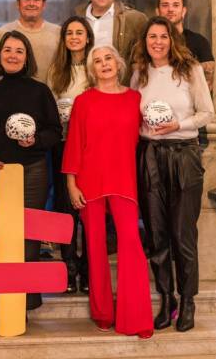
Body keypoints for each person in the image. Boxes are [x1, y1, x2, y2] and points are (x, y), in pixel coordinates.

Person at [0, 30, 62, 330]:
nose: (12, 55)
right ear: (0, 55)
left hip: (30, 171)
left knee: (25, 239)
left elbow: (54, 132)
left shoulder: (40, 92)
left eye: (19, 51)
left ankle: (17, 305)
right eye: (7, 50)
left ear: (27, 57)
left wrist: (34, 141)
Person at [62, 45, 153, 339]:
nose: (104, 64)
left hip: (124, 181)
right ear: (91, 69)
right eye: (97, 61)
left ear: (119, 62)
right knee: (96, 248)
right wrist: (71, 183)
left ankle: (135, 317)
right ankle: (102, 312)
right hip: (89, 181)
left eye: (108, 58)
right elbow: (74, 142)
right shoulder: (84, 101)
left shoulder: (135, 99)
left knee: (131, 246)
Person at [131, 16, 214, 332]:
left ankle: (188, 300)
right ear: (145, 40)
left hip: (184, 155)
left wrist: (178, 125)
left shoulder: (189, 70)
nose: (157, 42)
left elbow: (207, 113)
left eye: (163, 37)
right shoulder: (139, 73)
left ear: (171, 40)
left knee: (183, 235)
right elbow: (130, 112)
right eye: (152, 37)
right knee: (157, 234)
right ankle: (167, 300)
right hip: (150, 155)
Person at [46, 16, 94, 294]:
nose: (75, 37)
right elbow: (50, 106)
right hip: (63, 144)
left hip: (92, 148)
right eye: (69, 33)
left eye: (80, 32)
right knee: (65, 210)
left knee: (88, 209)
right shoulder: (56, 70)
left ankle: (88, 269)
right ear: (63, 39)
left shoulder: (96, 68)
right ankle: (68, 268)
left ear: (88, 37)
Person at [73, 0, 147, 82]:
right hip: (84, 88)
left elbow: (144, 58)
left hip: (119, 90)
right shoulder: (76, 20)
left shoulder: (134, 19)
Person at [0, 0, 60, 82]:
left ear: (43, 4)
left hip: (50, 96)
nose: (31, 3)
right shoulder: (2, 33)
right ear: (18, 3)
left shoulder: (58, 33)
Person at [156, 0, 215, 91]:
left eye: (176, 5)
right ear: (157, 11)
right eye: (165, 5)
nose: (170, 9)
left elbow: (206, 86)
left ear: (183, 11)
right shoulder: (150, 43)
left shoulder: (199, 42)